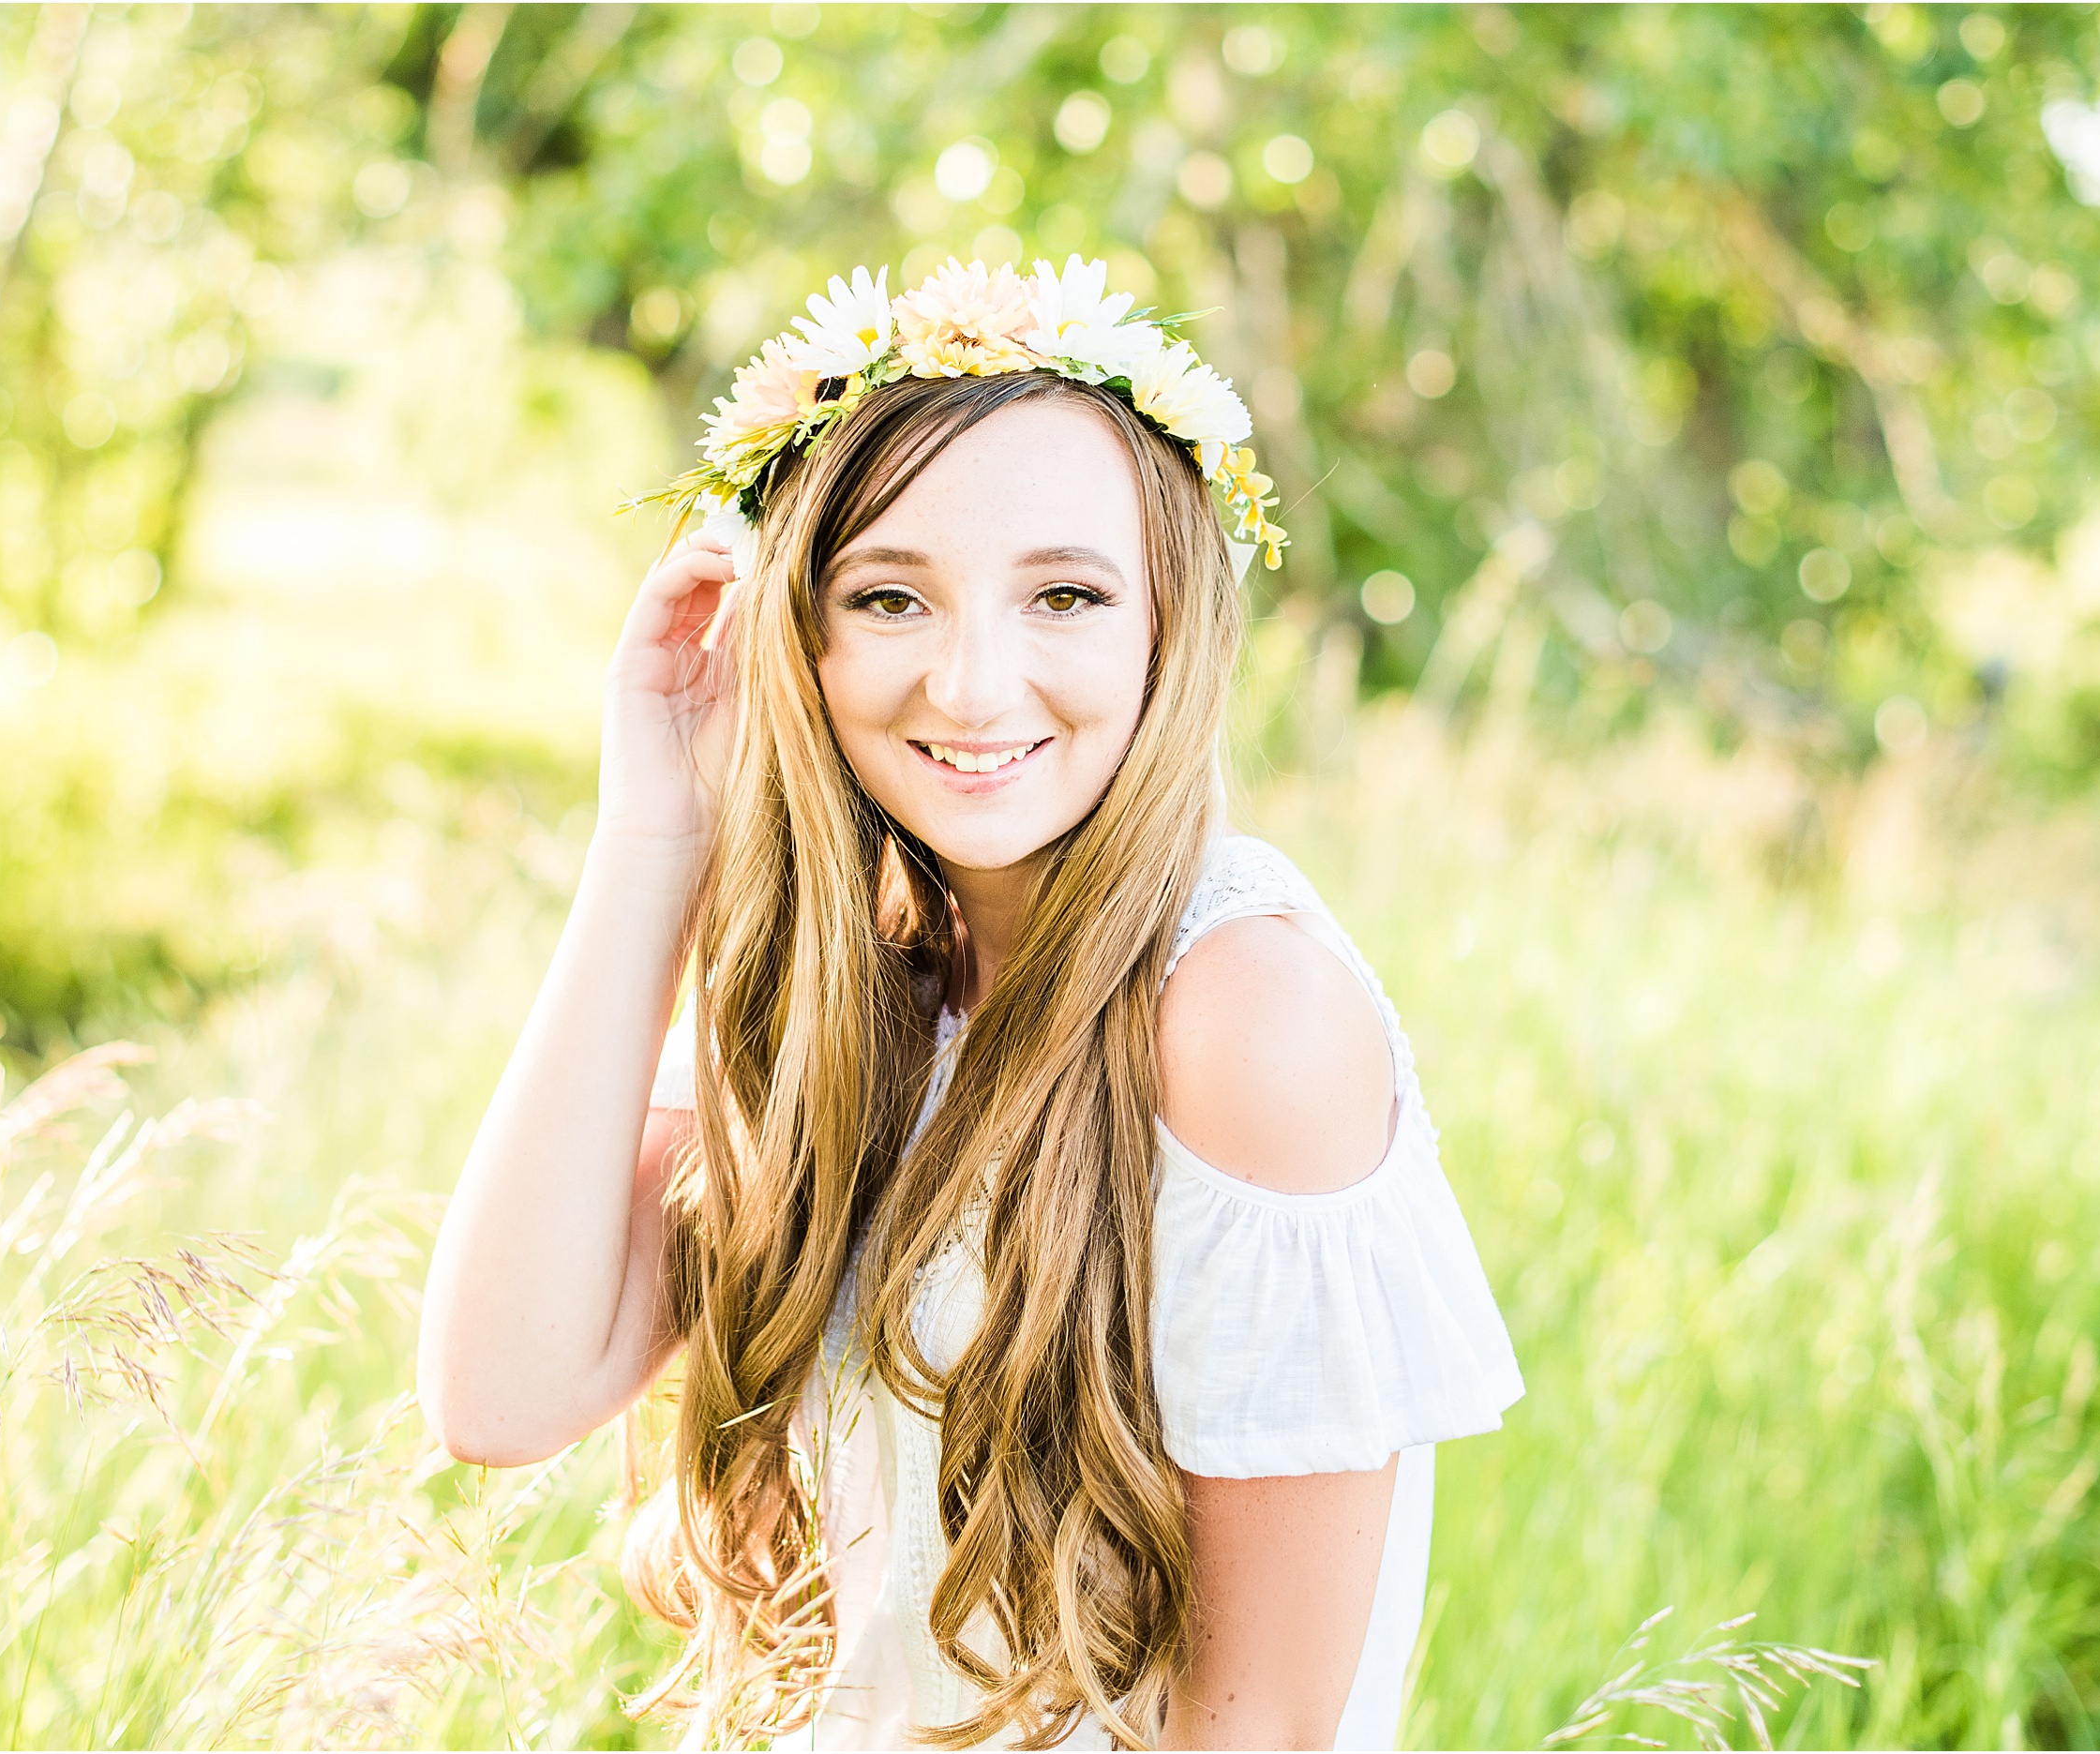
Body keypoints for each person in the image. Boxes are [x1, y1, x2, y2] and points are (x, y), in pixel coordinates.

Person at [417, 257, 1523, 1751]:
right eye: (890, 598)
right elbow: (501, 1393)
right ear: (795, 637)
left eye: (1064, 594)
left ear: (1165, 623)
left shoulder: (1240, 1016)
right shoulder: (844, 981)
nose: (976, 684)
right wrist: (654, 841)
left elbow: (1256, 1733)